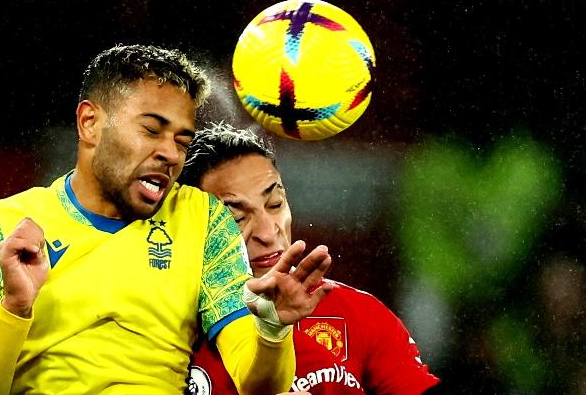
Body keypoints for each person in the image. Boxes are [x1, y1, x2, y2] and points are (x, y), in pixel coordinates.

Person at [0, 44, 336, 394]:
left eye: (182, 140)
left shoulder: (203, 220)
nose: (171, 154)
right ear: (90, 123)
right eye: (152, 130)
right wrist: (15, 308)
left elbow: (259, 385)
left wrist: (271, 330)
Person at [180, 122, 446, 395]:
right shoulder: (162, 325)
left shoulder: (359, 314)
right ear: (187, 225)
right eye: (237, 217)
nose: (268, 232)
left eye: (275, 204)